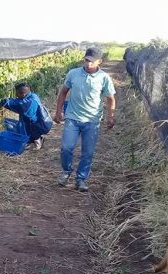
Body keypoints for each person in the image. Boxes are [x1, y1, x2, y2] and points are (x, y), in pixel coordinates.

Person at [54, 47, 116, 192]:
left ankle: (81, 179)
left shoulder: (104, 78)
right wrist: (58, 112)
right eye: (86, 60)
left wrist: (111, 116)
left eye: (92, 62)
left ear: (99, 62)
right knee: (66, 148)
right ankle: (66, 172)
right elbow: (63, 93)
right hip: (72, 117)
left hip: (92, 120)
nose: (88, 64)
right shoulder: (73, 73)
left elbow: (110, 98)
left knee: (87, 152)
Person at [0, 82, 53, 150]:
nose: (15, 95)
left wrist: (0, 101)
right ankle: (35, 138)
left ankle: (37, 141)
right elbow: (17, 101)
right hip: (45, 122)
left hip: (41, 125)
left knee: (22, 125)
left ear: (22, 94)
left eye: (17, 93)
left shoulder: (28, 103)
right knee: (26, 123)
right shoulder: (32, 96)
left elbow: (15, 104)